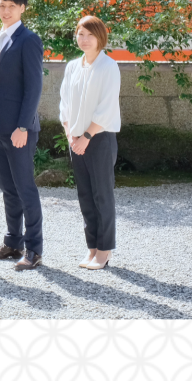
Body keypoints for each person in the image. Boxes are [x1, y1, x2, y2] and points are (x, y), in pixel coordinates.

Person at [0, 0, 45, 271]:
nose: (5, 11)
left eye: (11, 6)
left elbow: (34, 88)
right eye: (1, 6)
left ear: (22, 8)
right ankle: (12, 242)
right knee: (8, 188)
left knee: (25, 188)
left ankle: (34, 249)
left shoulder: (28, 39)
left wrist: (23, 126)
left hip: (19, 130)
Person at [59, 15, 121, 271]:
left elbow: (106, 108)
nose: (84, 40)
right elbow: (65, 103)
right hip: (76, 140)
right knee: (85, 195)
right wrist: (70, 134)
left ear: (100, 37)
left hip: (99, 139)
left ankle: (104, 251)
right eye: (80, 34)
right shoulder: (73, 66)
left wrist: (85, 137)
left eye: (90, 35)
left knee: (102, 195)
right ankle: (92, 247)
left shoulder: (108, 66)